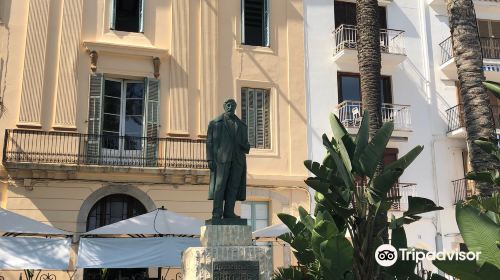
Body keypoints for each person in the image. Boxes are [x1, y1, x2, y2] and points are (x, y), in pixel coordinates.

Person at [206, 99, 250, 219]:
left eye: (232, 105)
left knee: (233, 186)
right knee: (220, 186)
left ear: (235, 107)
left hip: (237, 160)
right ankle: (217, 212)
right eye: (228, 105)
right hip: (222, 159)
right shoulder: (215, 123)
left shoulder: (241, 125)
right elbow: (209, 142)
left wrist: (244, 145)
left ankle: (229, 212)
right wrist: (210, 159)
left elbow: (247, 146)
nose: (230, 107)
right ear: (224, 106)